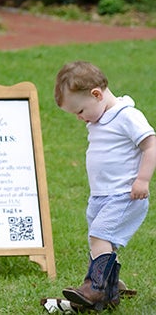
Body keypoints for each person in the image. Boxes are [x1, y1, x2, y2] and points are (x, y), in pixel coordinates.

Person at [55, 60, 155, 310]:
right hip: (100, 196)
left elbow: (151, 145)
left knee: (99, 235)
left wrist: (142, 179)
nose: (80, 118)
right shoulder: (97, 120)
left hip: (125, 195)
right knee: (101, 242)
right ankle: (110, 289)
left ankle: (95, 288)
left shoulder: (127, 116)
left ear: (96, 95)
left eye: (80, 111)